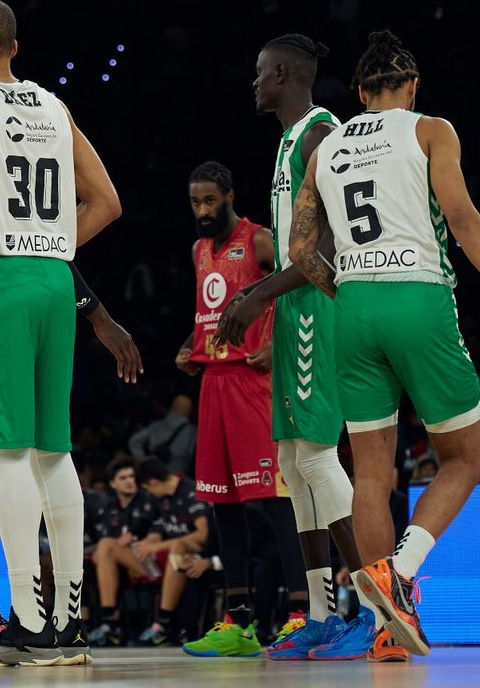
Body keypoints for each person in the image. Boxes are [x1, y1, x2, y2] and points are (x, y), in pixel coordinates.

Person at [288, 29, 480, 659]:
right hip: (416, 296)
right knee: (467, 455)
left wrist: (345, 293)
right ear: (412, 86)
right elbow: (461, 216)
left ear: (361, 92)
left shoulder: (326, 146)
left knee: (370, 471)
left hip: (353, 305)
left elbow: (298, 250)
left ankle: (385, 630)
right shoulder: (431, 130)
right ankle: (400, 571)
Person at [0, 0, 123, 667]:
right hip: (52, 278)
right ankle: (67, 627)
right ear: (14, 45)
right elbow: (109, 200)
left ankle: (29, 625)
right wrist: (55, 243)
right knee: (52, 452)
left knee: (5, 456)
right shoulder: (50, 104)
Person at [215, 34, 374, 661]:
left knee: (315, 460)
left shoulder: (318, 134)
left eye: (259, 73)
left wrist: (257, 297)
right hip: (293, 309)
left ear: (282, 73)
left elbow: (327, 250)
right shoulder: (288, 141)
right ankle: (321, 613)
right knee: (290, 462)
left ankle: (376, 606)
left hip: (318, 306)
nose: (254, 83)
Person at [178, 161, 309, 658]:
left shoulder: (260, 241)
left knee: (276, 502)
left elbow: (303, 278)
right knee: (222, 506)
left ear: (230, 196)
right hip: (214, 385)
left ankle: (300, 614)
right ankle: (238, 623)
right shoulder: (198, 250)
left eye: (210, 201)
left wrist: (275, 340)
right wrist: (191, 345)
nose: (203, 211)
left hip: (255, 385)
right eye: (195, 203)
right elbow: (211, 311)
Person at [132, 459, 213, 647]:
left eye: (148, 488)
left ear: (153, 483)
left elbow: (204, 534)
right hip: (169, 557)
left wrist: (157, 547)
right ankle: (109, 622)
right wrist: (149, 541)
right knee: (110, 546)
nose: (149, 493)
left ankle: (164, 622)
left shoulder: (190, 491)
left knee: (179, 548)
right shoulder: (162, 498)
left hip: (200, 552)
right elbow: (158, 527)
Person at [87, 456, 162, 646]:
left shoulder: (149, 501)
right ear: (113, 483)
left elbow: (157, 535)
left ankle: (109, 620)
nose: (130, 481)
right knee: (98, 554)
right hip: (123, 567)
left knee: (106, 546)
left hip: (152, 566)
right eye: (123, 478)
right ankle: (100, 623)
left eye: (132, 476)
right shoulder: (108, 508)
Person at [128, 395, 197, 477]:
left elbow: (134, 441)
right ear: (189, 410)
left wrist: (143, 461)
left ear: (173, 407)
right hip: (178, 476)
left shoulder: (157, 425)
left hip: (155, 474)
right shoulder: (193, 431)